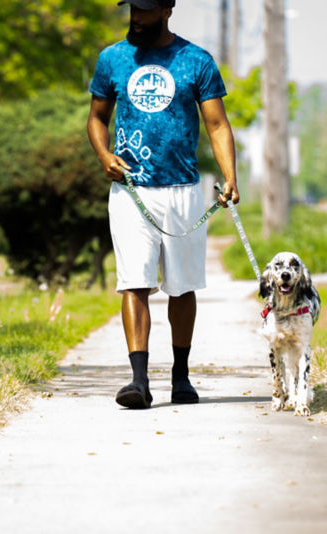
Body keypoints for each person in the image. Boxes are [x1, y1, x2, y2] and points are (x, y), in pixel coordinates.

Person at [87, 0, 239, 409]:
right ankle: (138, 381)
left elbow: (217, 124)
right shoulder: (113, 59)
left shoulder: (195, 61)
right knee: (134, 282)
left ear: (168, 9)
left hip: (183, 190)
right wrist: (104, 156)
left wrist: (230, 178)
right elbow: (97, 118)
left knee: (182, 286)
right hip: (130, 191)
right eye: (133, 8)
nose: (137, 17)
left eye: (147, 9)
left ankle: (181, 377)